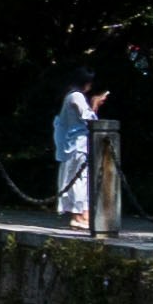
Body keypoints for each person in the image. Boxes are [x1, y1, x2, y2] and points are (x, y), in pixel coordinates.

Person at [53, 69, 102, 228]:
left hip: (78, 143)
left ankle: (84, 215)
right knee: (78, 180)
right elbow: (88, 117)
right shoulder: (76, 96)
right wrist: (94, 104)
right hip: (76, 144)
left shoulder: (71, 96)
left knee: (82, 179)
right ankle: (78, 215)